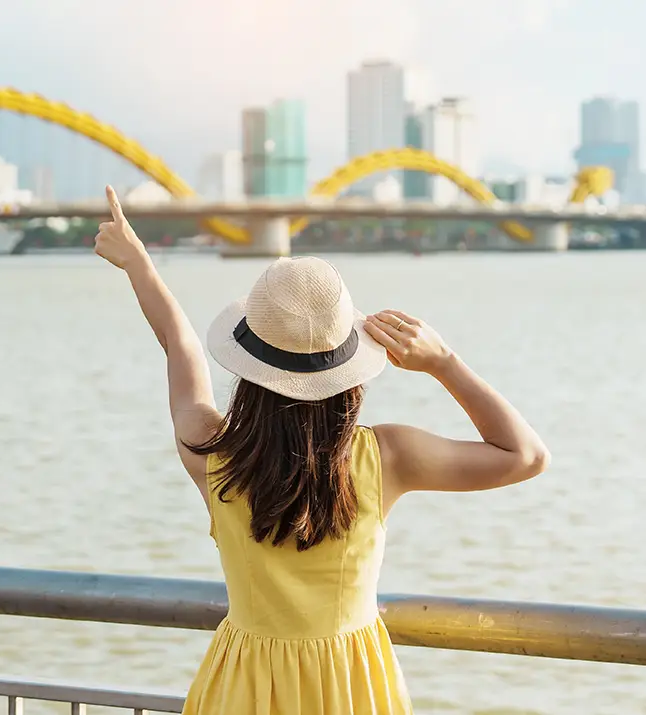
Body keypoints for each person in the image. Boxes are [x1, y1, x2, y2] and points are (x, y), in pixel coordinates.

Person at [93, 186, 550, 715]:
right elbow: (526, 456)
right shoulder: (389, 457)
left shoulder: (212, 453)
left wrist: (138, 264)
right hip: (352, 689)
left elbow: (180, 344)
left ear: (248, 369)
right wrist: (443, 361)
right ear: (349, 372)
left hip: (244, 689)